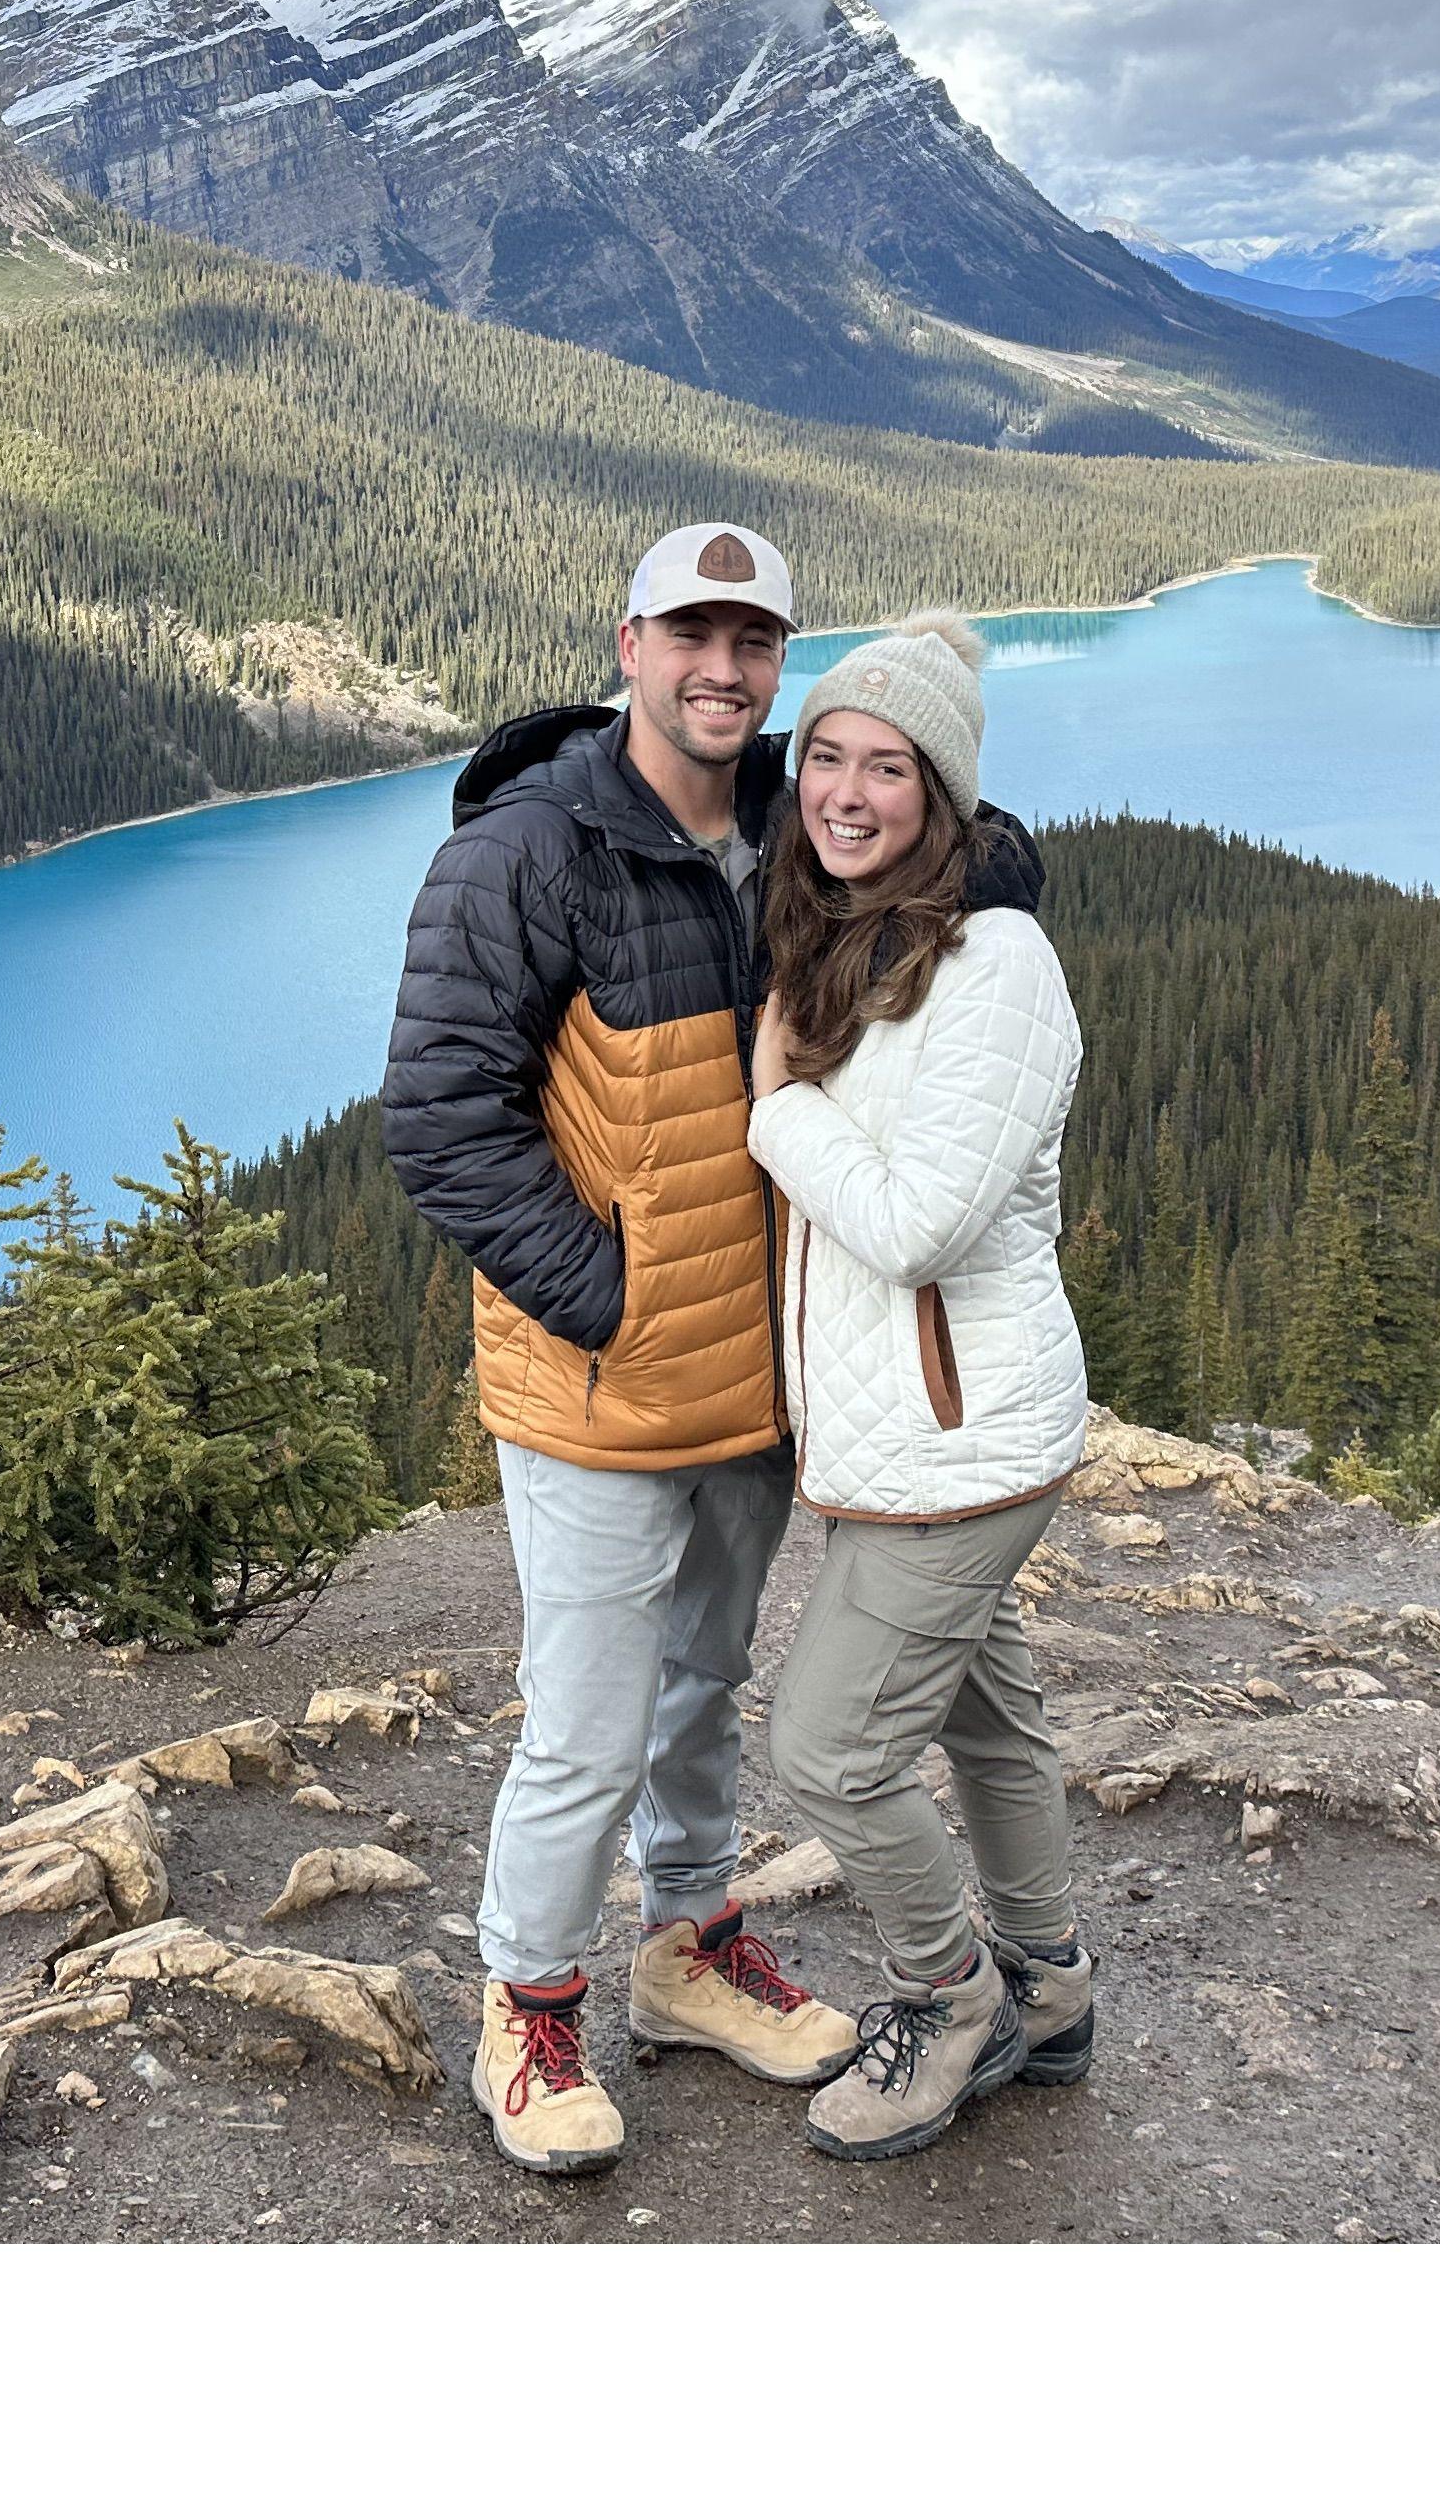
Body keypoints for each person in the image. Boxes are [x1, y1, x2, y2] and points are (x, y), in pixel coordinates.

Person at [381, 520, 863, 2174]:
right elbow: (441, 1119)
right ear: (628, 642)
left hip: (756, 1380)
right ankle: (527, 2011)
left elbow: (995, 857)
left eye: (755, 643)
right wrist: (607, 1297)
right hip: (602, 1380)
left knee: (704, 1685)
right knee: (584, 1718)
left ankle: (684, 1948)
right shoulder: (527, 852)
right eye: (691, 637)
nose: (722, 670)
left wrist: (916, 798)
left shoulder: (808, 821)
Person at [747, 613, 1098, 2163]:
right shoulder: (859, 942)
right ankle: (1053, 1990)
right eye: (825, 754)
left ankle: (945, 2001)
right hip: (925, 1436)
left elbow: (914, 1223)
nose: (845, 789)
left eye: (887, 767)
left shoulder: (996, 958)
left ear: (941, 798)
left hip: (967, 1441)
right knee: (990, 1728)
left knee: (826, 1748)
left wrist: (774, 1106)